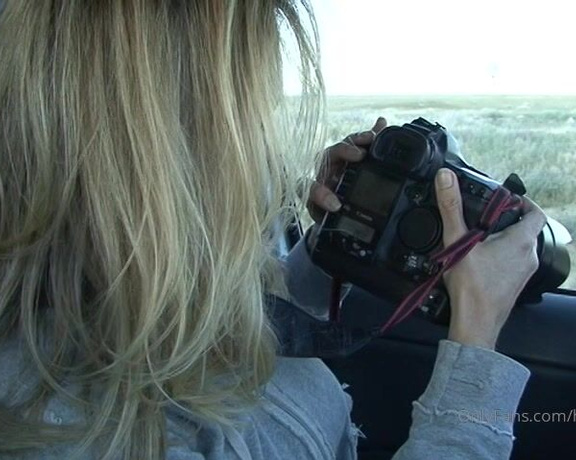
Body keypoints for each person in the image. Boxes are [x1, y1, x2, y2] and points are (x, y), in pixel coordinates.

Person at [0, 1, 545, 459]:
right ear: (167, 154)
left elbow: (241, 345)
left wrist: (337, 238)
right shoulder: (100, 436)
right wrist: (474, 350)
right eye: (252, 107)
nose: (264, 148)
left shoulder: (123, 296)